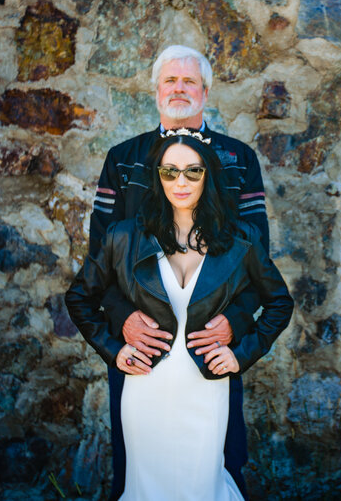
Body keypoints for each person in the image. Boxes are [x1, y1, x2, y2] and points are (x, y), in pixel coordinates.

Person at [66, 130, 293, 500]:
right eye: (169, 172)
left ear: (209, 176)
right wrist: (114, 350)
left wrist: (239, 356)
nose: (181, 182)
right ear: (157, 176)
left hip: (205, 390)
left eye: (193, 171)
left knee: (202, 486)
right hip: (145, 389)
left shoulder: (241, 238)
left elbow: (279, 303)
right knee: (147, 489)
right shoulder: (124, 236)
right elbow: (79, 298)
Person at [85, 45, 270, 499]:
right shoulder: (123, 159)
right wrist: (121, 318)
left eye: (189, 82)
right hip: (142, 343)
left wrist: (238, 321)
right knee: (138, 464)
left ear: (205, 92)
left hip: (212, 341)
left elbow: (258, 260)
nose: (179, 89)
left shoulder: (238, 160)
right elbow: (99, 260)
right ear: (156, 92)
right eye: (170, 81)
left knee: (220, 459)